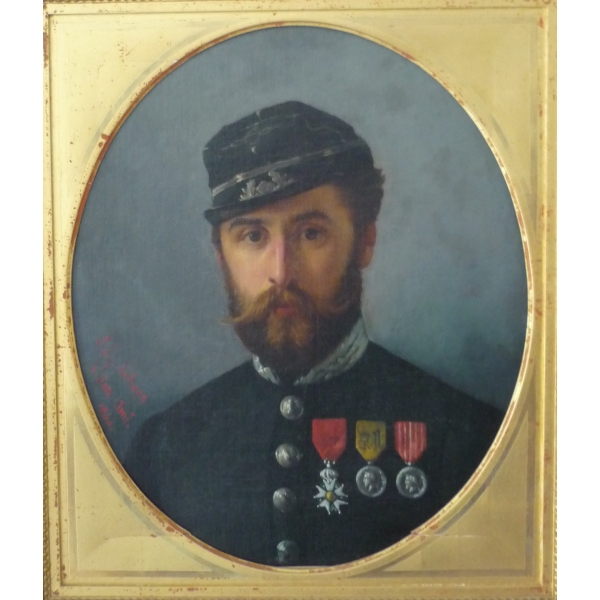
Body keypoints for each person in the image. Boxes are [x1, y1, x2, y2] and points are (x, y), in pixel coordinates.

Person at [124, 101, 503, 567]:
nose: (281, 272)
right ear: (221, 255)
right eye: (253, 236)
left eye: (310, 234)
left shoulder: (468, 438)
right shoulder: (163, 448)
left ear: (364, 242)